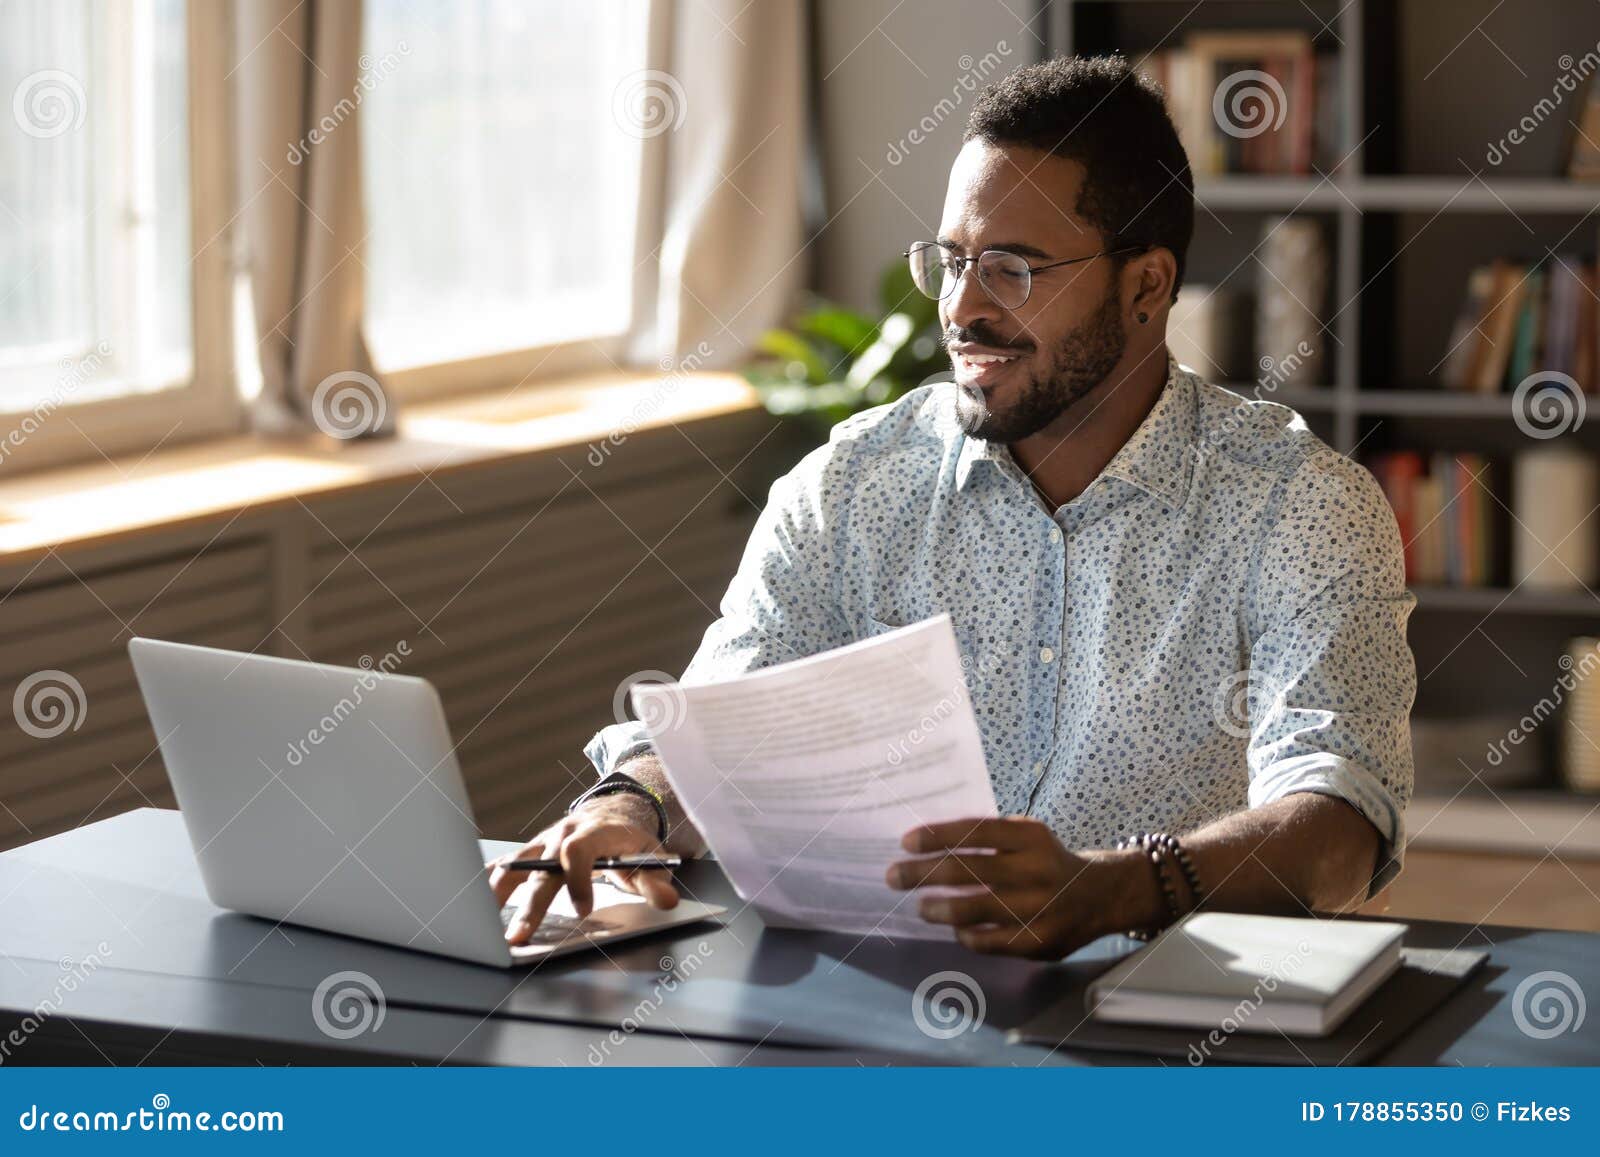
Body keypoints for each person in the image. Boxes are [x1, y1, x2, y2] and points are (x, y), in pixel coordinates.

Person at [490, 54, 1416, 960]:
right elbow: (720, 726)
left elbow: (1341, 823)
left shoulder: (1301, 506)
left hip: (1158, 1031)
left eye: (1013, 268)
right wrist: (629, 802)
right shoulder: (853, 484)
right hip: (879, 1010)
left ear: (1145, 287)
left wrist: (1113, 890)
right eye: (954, 258)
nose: (963, 308)